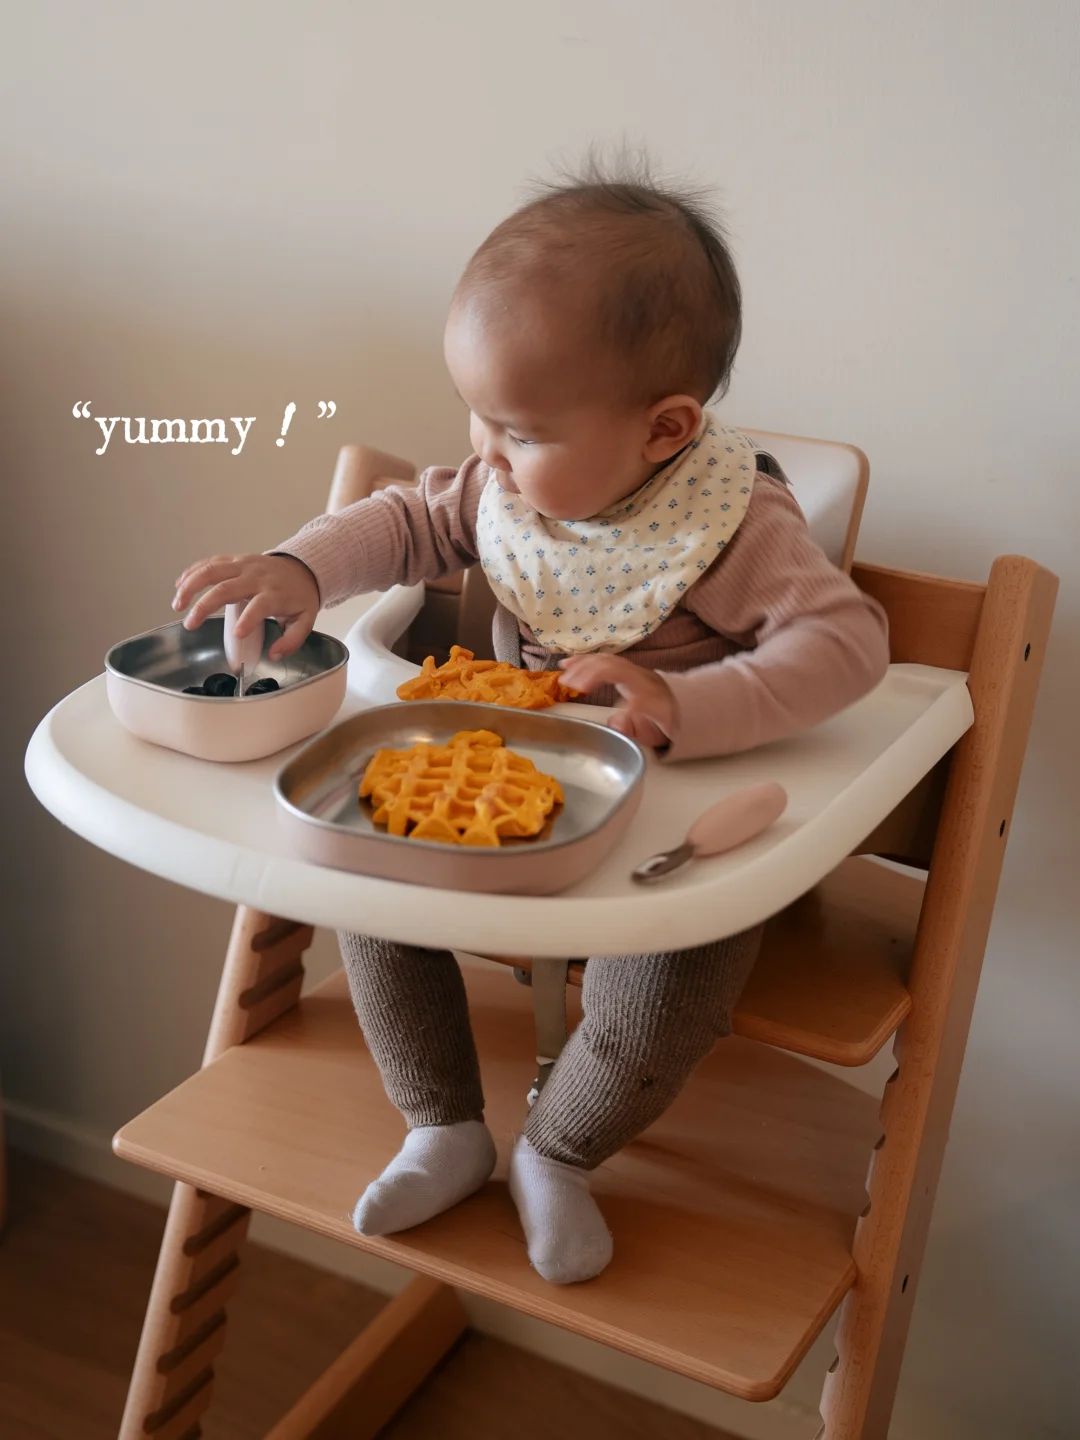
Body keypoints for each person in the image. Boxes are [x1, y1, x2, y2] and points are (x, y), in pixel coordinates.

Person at [172, 159, 890, 1285]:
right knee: (366, 891)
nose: (488, 453)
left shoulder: (728, 523)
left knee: (674, 985)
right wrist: (299, 569)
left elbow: (848, 645)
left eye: (521, 429)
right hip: (510, 798)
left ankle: (560, 1151)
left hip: (670, 828)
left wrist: (686, 705)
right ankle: (442, 1126)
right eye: (481, 416)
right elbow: (404, 521)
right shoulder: (499, 488)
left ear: (665, 430)